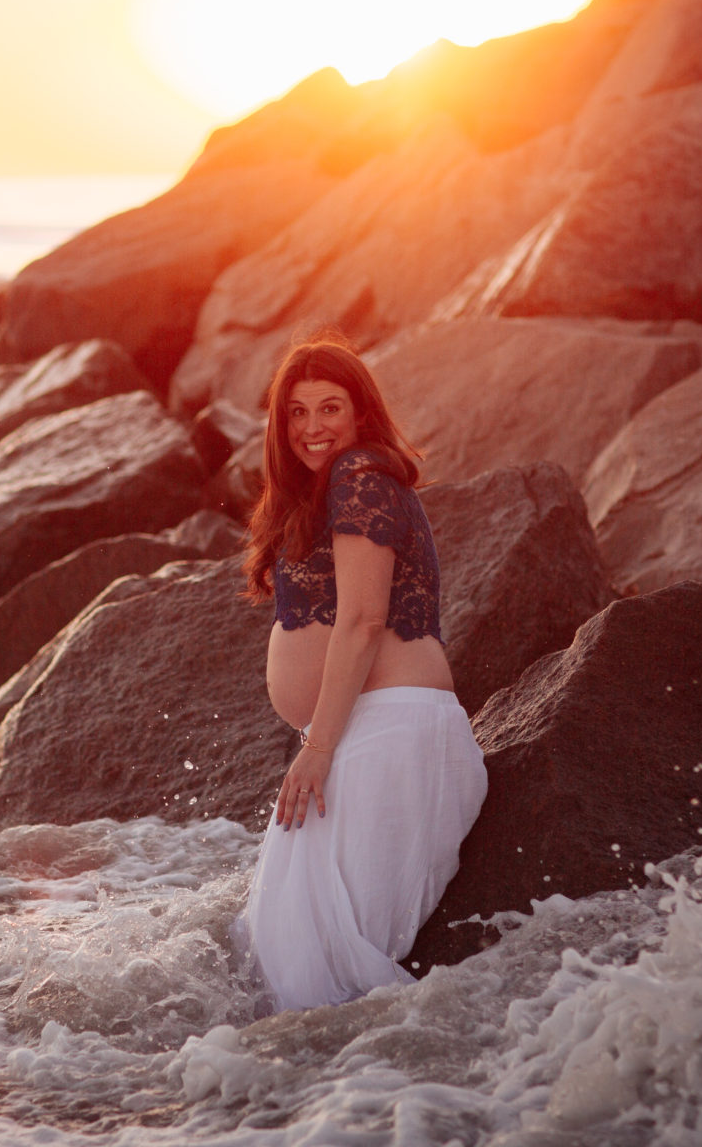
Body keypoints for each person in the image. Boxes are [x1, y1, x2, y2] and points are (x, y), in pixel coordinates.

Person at [237, 331, 487, 1012]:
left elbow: (363, 621)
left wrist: (316, 750)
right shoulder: (338, 487)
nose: (312, 427)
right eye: (297, 412)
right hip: (367, 733)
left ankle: (369, 1110)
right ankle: (338, 1110)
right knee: (298, 961)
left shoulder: (359, 481)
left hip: (383, 737)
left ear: (360, 414)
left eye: (329, 409)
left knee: (328, 981)